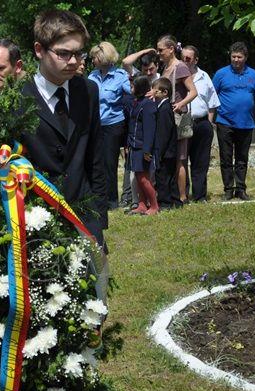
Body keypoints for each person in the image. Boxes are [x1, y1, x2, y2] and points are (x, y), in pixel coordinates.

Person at [22, 9, 107, 247]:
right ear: (39, 50)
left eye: (78, 53)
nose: (73, 61)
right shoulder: (18, 99)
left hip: (85, 215)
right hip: (36, 221)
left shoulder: (88, 90)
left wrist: (99, 219)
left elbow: (95, 157)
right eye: (63, 53)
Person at [213, 41, 255, 200]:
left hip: (246, 123)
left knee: (242, 158)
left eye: (239, 57)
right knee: (226, 157)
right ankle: (228, 189)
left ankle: (240, 189)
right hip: (224, 121)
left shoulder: (253, 74)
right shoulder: (221, 74)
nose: (236, 60)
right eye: (233, 56)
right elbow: (213, 96)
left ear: (245, 57)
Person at [88, 41, 131, 209]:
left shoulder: (120, 76)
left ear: (104, 57)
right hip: (96, 125)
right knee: (96, 162)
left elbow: (133, 93)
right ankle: (98, 198)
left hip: (113, 125)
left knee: (109, 163)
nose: (92, 60)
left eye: (95, 57)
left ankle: (111, 201)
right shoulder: (92, 76)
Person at [157, 35, 197, 204]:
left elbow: (193, 92)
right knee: (168, 156)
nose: (158, 53)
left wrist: (180, 104)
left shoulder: (180, 67)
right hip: (165, 118)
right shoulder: (165, 67)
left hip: (177, 119)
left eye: (161, 50)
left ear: (171, 49)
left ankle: (182, 196)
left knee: (180, 158)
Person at [181, 45, 220, 202]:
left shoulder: (204, 77)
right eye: (182, 57)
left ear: (196, 60)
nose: (185, 60)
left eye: (188, 58)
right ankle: (182, 194)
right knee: (182, 160)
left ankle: (199, 195)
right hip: (182, 123)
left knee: (201, 161)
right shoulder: (177, 76)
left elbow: (212, 102)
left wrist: (209, 123)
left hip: (201, 123)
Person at [126, 76, 158, 215]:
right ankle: (142, 204)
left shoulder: (148, 104)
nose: (130, 88)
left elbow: (149, 129)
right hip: (134, 145)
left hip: (142, 147)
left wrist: (147, 150)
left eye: (132, 86)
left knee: (143, 178)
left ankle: (154, 206)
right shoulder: (136, 102)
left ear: (139, 87)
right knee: (138, 177)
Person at [152, 77, 179, 209]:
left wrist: (159, 151)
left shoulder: (164, 109)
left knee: (163, 177)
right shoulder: (164, 107)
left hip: (165, 151)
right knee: (170, 177)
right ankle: (175, 200)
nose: (153, 92)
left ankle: (165, 202)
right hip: (170, 151)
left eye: (156, 91)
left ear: (165, 93)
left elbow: (163, 133)